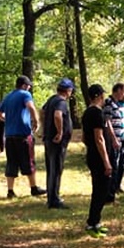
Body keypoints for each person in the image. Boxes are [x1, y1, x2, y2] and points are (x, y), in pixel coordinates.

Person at [0, 76, 46, 199]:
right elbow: (30, 107)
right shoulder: (25, 94)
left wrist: (7, 120)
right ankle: (34, 188)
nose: (29, 87)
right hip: (23, 134)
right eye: (28, 85)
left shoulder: (8, 96)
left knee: (11, 162)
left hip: (9, 135)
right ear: (24, 85)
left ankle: (10, 191)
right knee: (29, 161)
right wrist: (36, 122)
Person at [82, 84, 112, 237]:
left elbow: (83, 137)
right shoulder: (97, 113)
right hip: (99, 157)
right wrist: (106, 161)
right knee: (101, 190)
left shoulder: (86, 113)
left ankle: (96, 220)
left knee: (98, 189)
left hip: (91, 154)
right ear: (99, 96)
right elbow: (99, 138)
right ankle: (92, 223)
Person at [41, 78, 74, 209]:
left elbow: (42, 111)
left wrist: (45, 127)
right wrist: (60, 132)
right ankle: (54, 199)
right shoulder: (61, 102)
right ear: (68, 90)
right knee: (56, 168)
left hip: (49, 138)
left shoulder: (51, 99)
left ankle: (51, 195)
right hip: (57, 141)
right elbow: (57, 115)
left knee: (51, 168)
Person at [103, 82, 124, 199]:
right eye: (123, 91)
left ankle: (117, 186)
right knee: (114, 164)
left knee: (122, 163)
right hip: (115, 139)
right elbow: (107, 121)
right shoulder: (108, 103)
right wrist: (113, 138)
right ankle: (110, 192)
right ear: (118, 90)